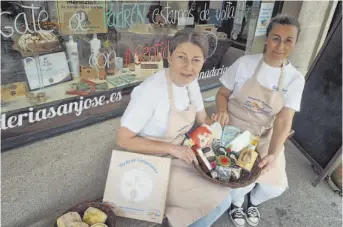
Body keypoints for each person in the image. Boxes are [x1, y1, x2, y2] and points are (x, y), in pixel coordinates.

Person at [116, 28, 233, 227]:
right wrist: (173, 149)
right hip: (148, 165)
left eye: (196, 60)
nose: (188, 66)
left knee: (225, 192)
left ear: (203, 62)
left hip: (181, 157)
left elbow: (202, 118)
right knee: (221, 200)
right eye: (182, 57)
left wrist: (216, 121)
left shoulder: (191, 82)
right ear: (169, 56)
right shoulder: (150, 91)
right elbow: (123, 139)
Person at [213, 14, 305, 227]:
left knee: (275, 186)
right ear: (266, 38)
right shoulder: (245, 64)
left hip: (264, 133)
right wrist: (221, 110)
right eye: (276, 38)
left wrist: (273, 152)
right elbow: (222, 94)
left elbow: (284, 119)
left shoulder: (295, 79)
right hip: (234, 128)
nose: (281, 45)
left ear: (295, 43)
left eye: (288, 40)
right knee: (239, 178)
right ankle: (237, 204)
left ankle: (253, 201)